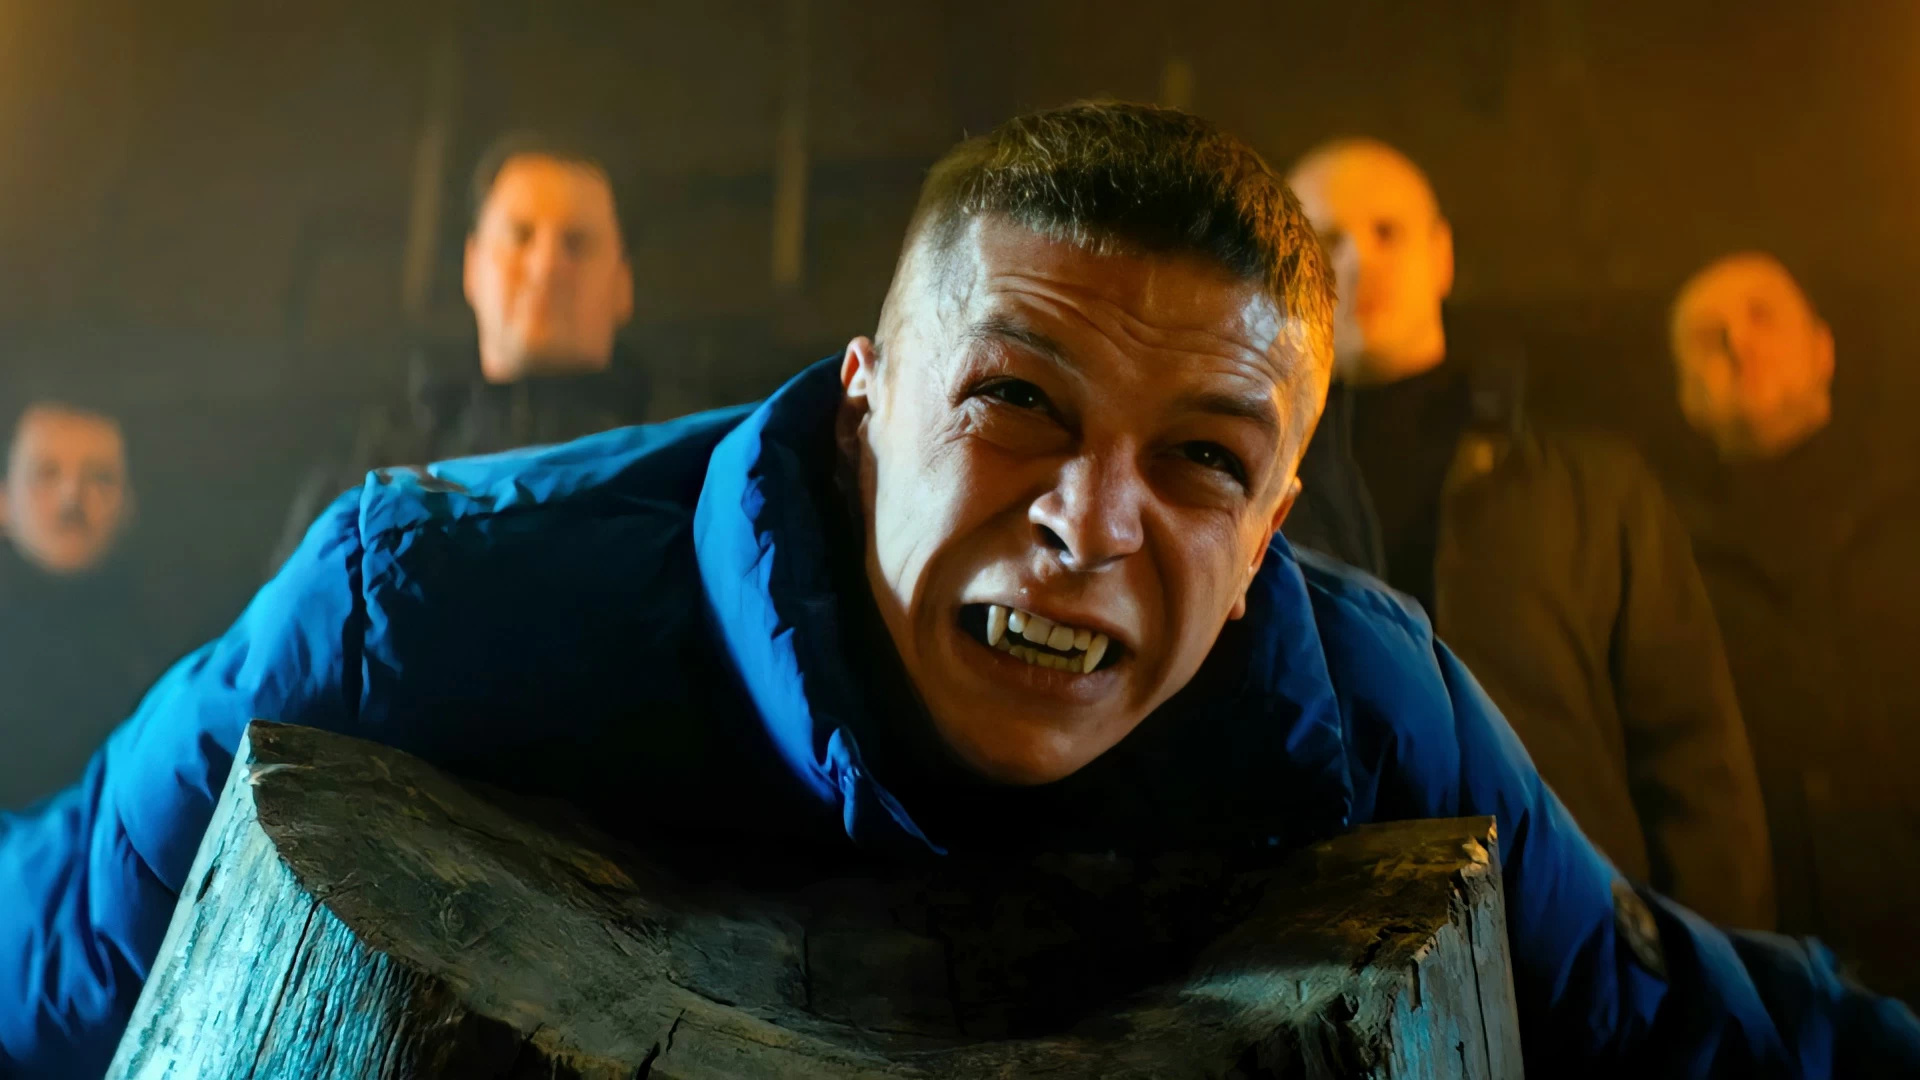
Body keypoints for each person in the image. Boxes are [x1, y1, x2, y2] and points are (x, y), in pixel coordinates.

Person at [3, 103, 1916, 1078]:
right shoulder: (423, 600)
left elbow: (1671, 1016)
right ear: (865, 409)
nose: (1093, 522)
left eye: (1204, 460)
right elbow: (71, 927)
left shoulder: (1364, 710)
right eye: (1017, 404)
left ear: (1275, 522)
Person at [1280, 137, 1775, 931]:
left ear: (1442, 253)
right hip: (1339, 952)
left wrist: (1704, 971)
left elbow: (1694, 753)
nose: (1360, 260)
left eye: (1387, 231)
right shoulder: (1255, 495)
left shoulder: (1593, 485)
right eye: (1326, 239)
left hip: (1588, 947)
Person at [1667, 251, 1920, 1001]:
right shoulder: (1668, 565)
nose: (1739, 341)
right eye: (1708, 335)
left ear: (1823, 348)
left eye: (1763, 315)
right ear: (1684, 392)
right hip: (1778, 959)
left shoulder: (1907, 512)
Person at [270, 131, 651, 568]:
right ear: (472, 265)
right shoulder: (371, 469)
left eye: (576, 243)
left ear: (623, 284)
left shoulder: (693, 465)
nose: (545, 266)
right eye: (521, 235)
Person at [0, 398, 179, 811]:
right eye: (46, 473)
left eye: (100, 478)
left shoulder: (160, 657)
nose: (71, 497)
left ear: (129, 505)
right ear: (4, 498)